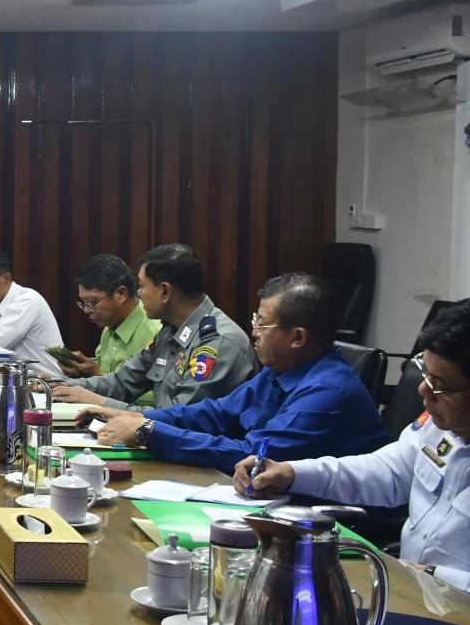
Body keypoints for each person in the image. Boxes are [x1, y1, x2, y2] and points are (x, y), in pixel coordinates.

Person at [236, 299, 470, 591]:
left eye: (439, 384)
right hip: (410, 590)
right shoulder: (440, 425)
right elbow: (388, 471)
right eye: (426, 374)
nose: (423, 390)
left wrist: (435, 575)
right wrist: (290, 473)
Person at [91, 273, 388, 473]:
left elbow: (253, 456)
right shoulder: (281, 370)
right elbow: (216, 413)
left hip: (338, 527)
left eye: (263, 324)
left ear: (297, 337)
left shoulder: (328, 393)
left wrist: (150, 432)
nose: (254, 332)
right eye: (256, 320)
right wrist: (139, 418)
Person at [54, 243, 254, 412]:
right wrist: (59, 386)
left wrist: (100, 403)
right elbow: (122, 383)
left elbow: (178, 419)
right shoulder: (169, 332)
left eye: (141, 286)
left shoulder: (217, 343)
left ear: (165, 291)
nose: (138, 294)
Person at [54, 254, 163, 406]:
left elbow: (156, 400)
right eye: (83, 303)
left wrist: (97, 375)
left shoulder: (155, 331)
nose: (86, 310)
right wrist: (67, 380)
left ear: (121, 294)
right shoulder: (109, 327)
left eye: (92, 302)